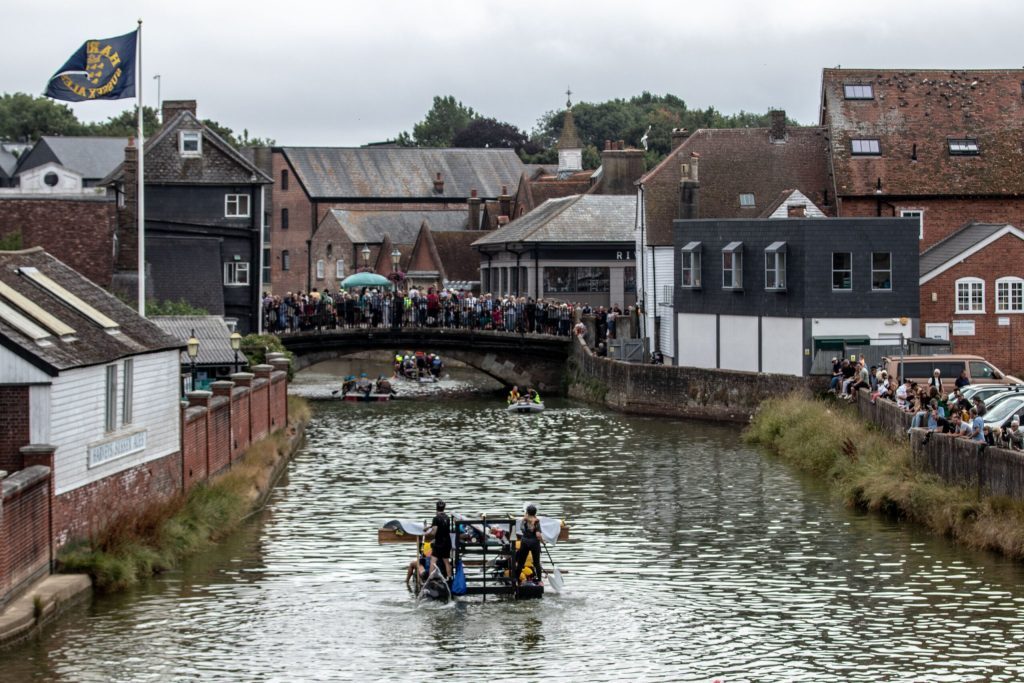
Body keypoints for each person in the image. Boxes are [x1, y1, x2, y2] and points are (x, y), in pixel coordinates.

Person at [424, 500, 452, 579]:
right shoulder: (447, 518)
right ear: (444, 508)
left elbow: (434, 532)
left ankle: (430, 578)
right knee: (446, 561)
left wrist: (426, 534)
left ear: (436, 508)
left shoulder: (436, 518)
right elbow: (439, 525)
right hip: (447, 543)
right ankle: (449, 578)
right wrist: (428, 527)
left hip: (439, 543)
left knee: (433, 561)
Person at [515, 504, 543, 583]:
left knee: (521, 563)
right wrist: (543, 541)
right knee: (537, 563)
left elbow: (522, 529)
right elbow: (538, 535)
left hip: (525, 542)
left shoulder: (524, 520)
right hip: (534, 543)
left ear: (527, 512)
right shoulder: (536, 521)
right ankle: (539, 580)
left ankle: (516, 580)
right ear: (535, 512)